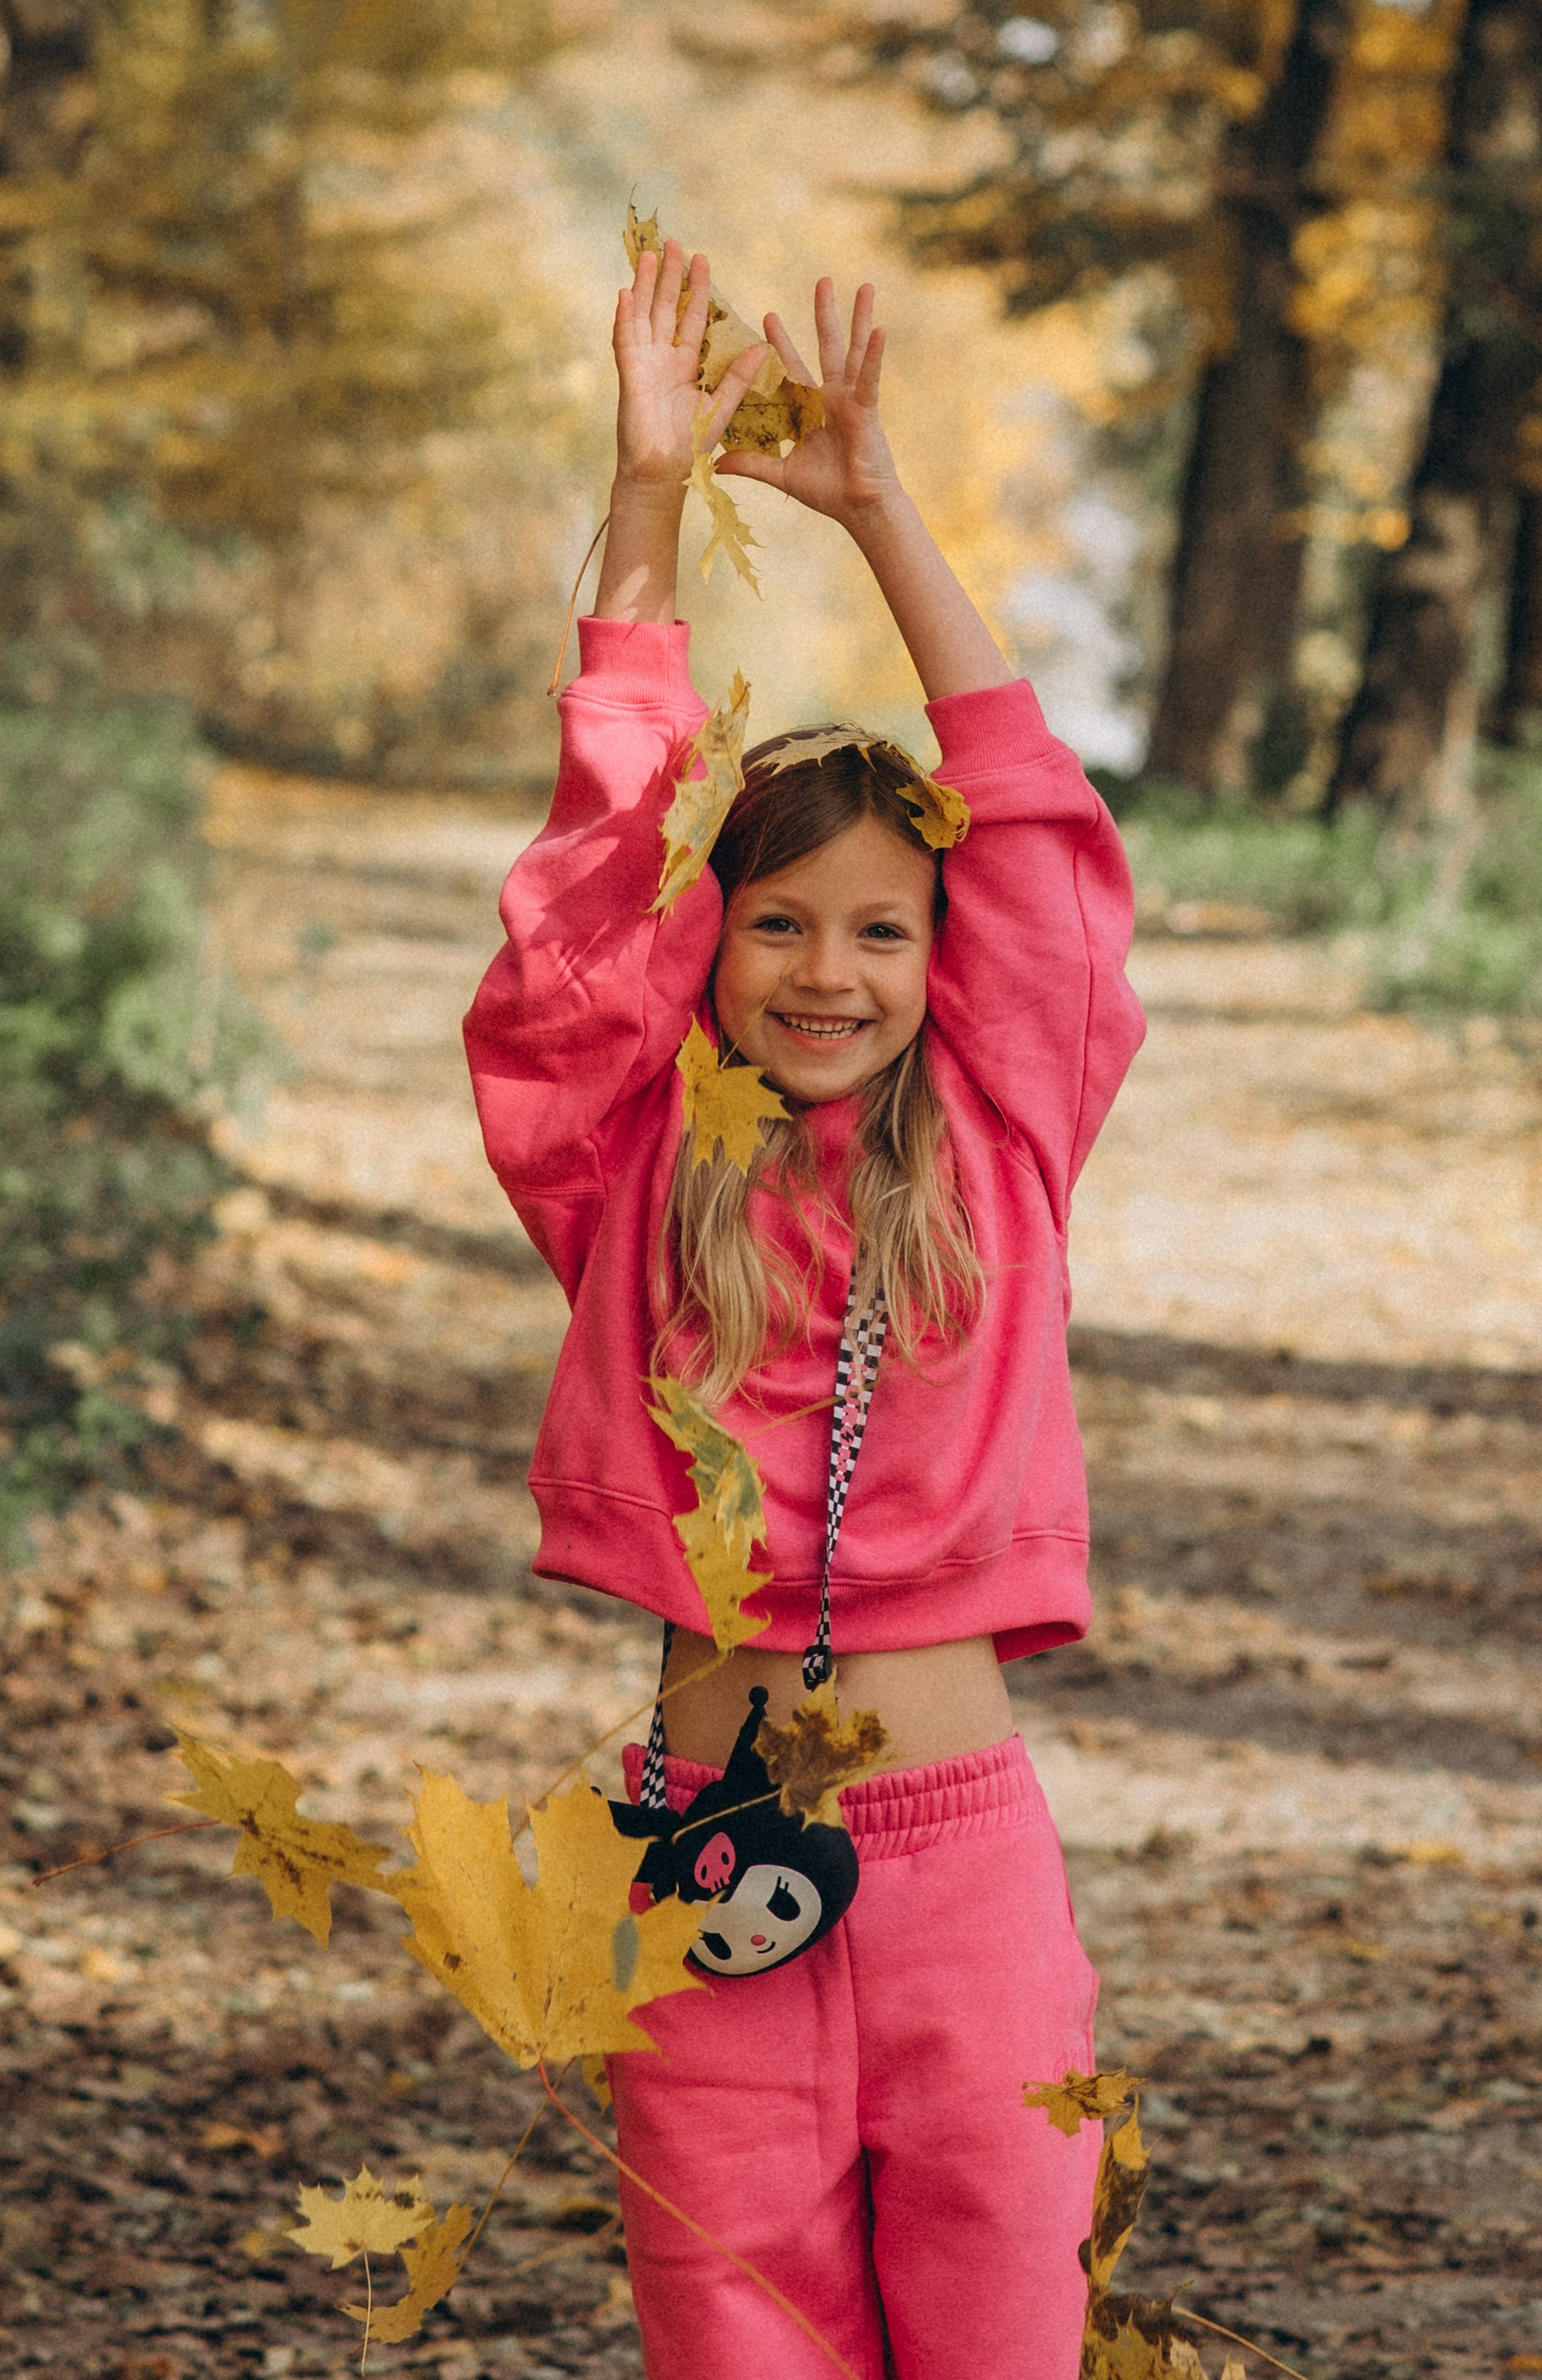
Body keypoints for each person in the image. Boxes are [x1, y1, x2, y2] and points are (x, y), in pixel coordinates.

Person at [464, 238, 1146, 2380]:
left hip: (967, 1893)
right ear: (715, 947)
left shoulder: (1007, 1146)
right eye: (777, 923)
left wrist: (877, 511)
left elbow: (1039, 846)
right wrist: (649, 508)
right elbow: (590, 901)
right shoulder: (634, 1167)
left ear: (946, 965)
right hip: (699, 1875)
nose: (830, 972)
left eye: (883, 930)